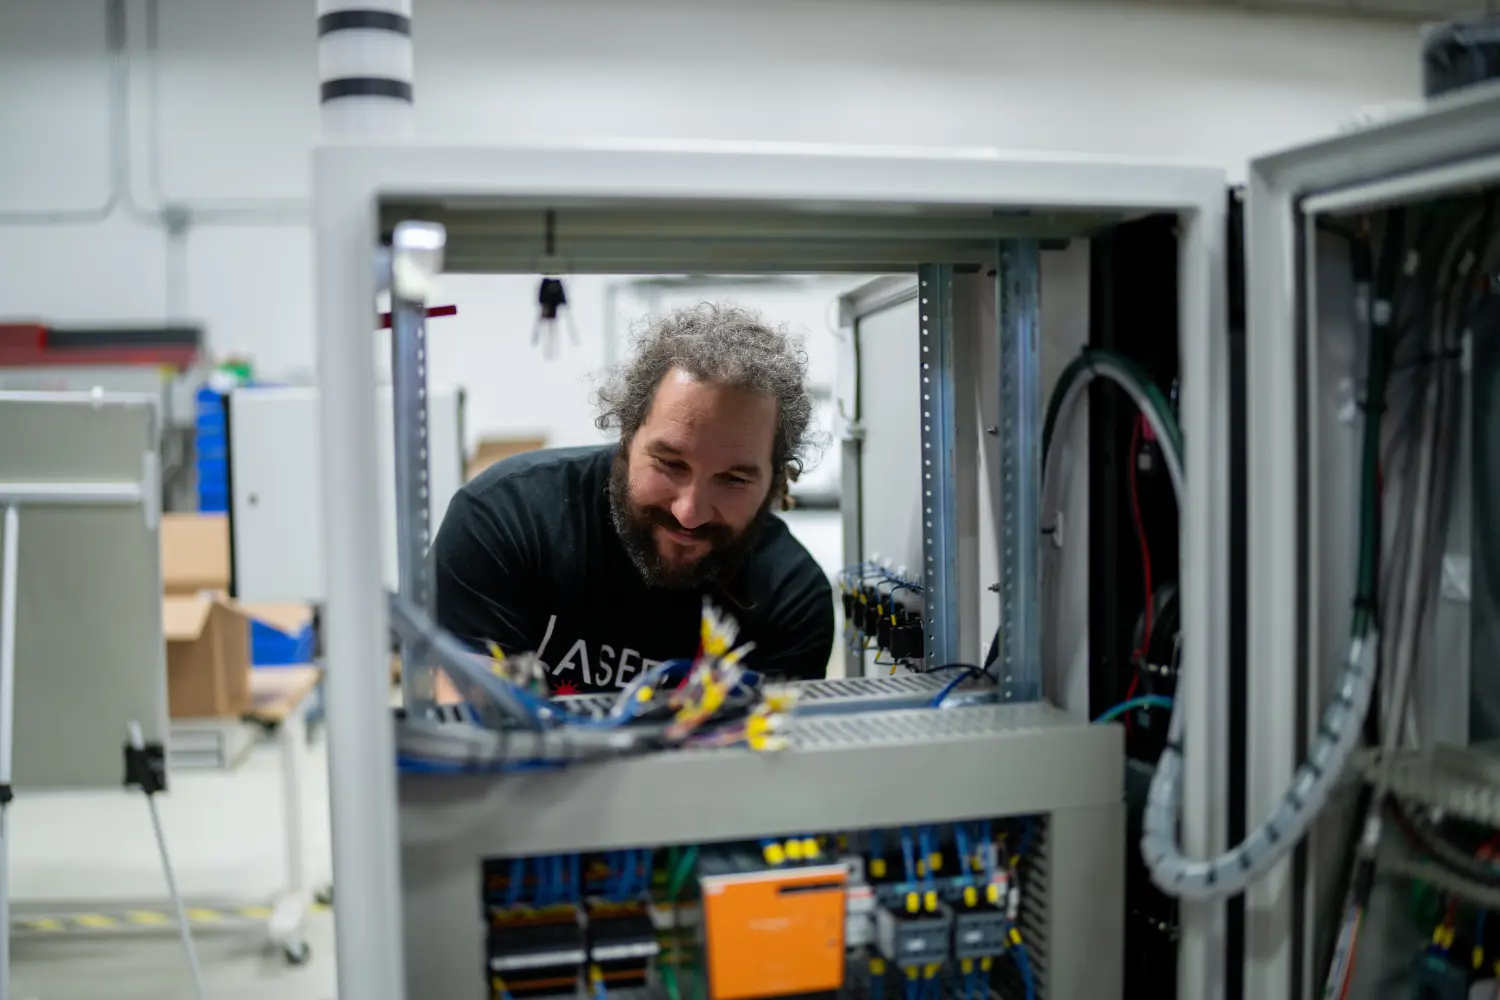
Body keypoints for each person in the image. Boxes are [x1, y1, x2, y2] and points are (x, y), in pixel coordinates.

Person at [431, 303, 835, 694]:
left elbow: (766, 758)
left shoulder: (790, 596)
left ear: (776, 477)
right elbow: (474, 737)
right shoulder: (505, 520)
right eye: (671, 464)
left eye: (732, 479)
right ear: (626, 434)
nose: (689, 513)